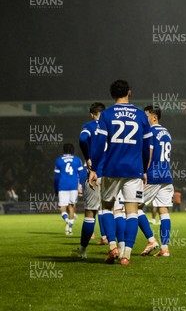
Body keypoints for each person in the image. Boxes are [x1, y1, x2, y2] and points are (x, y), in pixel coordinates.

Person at [88, 79, 152, 265]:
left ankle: (113, 247)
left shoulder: (106, 115)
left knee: (107, 207)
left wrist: (93, 169)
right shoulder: (141, 115)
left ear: (112, 95)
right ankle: (127, 255)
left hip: (111, 168)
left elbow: (99, 145)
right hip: (134, 170)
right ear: (129, 92)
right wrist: (145, 168)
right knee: (132, 212)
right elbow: (148, 145)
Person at [137, 106, 174, 257]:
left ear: (154, 117)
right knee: (163, 211)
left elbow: (149, 153)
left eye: (146, 116)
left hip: (153, 175)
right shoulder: (167, 133)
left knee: (134, 207)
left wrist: (143, 172)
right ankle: (164, 248)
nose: (143, 120)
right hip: (166, 175)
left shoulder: (150, 132)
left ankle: (151, 240)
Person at [73, 102, 107, 259]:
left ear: (92, 114)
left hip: (96, 173)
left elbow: (82, 139)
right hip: (113, 175)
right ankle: (119, 249)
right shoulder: (111, 125)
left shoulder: (90, 125)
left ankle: (83, 250)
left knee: (90, 213)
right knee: (115, 212)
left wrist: (87, 158)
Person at [54, 143, 86, 235]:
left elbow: (56, 177)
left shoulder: (59, 160)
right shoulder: (77, 160)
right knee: (72, 208)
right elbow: (81, 175)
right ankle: (70, 228)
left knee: (63, 208)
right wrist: (81, 186)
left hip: (62, 186)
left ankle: (67, 220)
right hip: (73, 186)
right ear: (73, 150)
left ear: (63, 150)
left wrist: (56, 189)